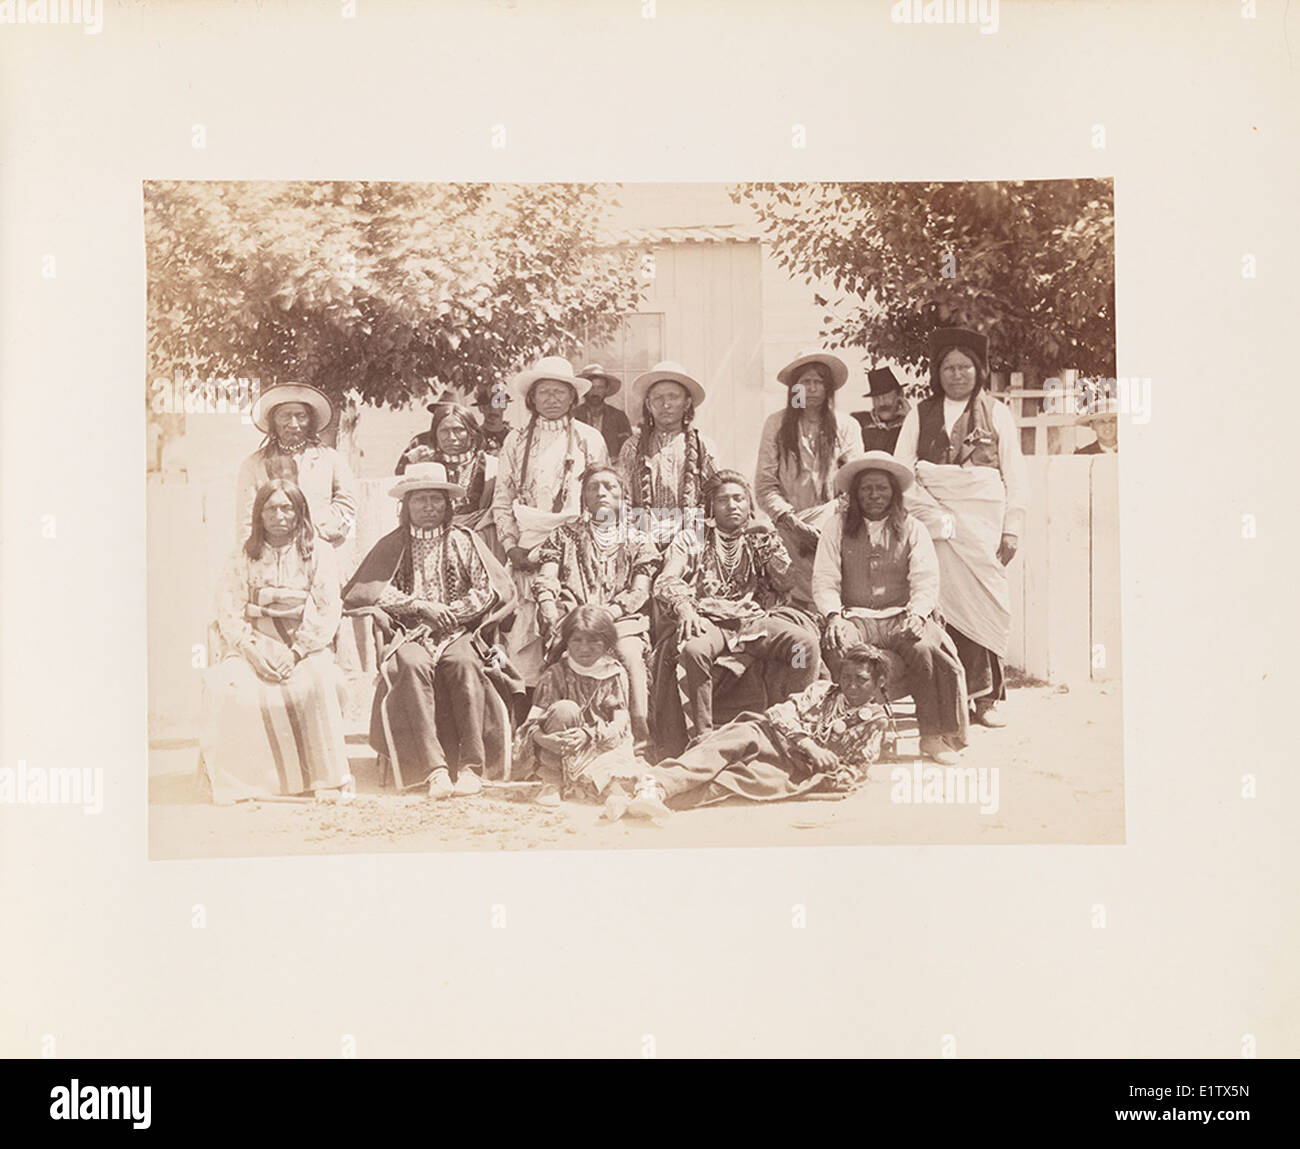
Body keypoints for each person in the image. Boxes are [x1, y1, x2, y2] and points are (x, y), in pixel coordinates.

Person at [343, 463, 522, 798]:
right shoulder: (392, 544)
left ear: (448, 504)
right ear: (406, 506)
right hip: (409, 632)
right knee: (409, 666)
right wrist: (418, 607)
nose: (428, 507)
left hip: (459, 631)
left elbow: (489, 589)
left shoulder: (464, 540)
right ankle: (434, 770)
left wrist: (450, 614)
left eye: (436, 499)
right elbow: (369, 590)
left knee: (465, 665)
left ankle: (471, 767)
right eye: (420, 500)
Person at [893, 327, 1029, 728]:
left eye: (965, 367)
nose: (956, 375)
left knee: (986, 605)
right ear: (937, 373)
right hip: (936, 529)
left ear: (978, 370)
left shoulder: (998, 412)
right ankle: (948, 699)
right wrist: (936, 517)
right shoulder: (920, 413)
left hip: (983, 530)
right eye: (948, 367)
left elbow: (1014, 475)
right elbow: (903, 471)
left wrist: (1012, 527)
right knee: (941, 607)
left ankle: (986, 700)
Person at [200, 479, 354, 805]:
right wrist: (251, 652)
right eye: (271, 508)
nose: (279, 515)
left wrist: (296, 652)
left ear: (300, 513)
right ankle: (249, 782)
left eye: (287, 508)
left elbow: (327, 606)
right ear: (259, 514)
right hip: (254, 644)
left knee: (320, 682)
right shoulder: (244, 554)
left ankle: (321, 778)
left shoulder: (319, 552)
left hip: (304, 646)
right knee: (227, 688)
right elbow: (228, 606)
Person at [649, 470, 821, 758]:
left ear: (749, 503)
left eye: (739, 498)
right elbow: (666, 579)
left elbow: (787, 582)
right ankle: (702, 736)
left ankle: (795, 724)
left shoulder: (760, 536)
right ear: (711, 507)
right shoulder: (692, 538)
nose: (733, 505)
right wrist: (685, 608)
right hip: (709, 619)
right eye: (723, 500)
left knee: (804, 646)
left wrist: (770, 543)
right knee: (693, 651)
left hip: (754, 622)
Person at [812, 453, 968, 765]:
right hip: (855, 616)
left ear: (894, 493)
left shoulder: (913, 529)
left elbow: (925, 578)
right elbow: (825, 578)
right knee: (841, 650)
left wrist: (918, 614)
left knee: (924, 649)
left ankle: (932, 737)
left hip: (900, 614)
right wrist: (833, 617)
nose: (874, 496)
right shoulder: (836, 527)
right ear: (856, 494)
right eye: (866, 489)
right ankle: (855, 733)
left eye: (881, 489)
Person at [631, 644, 893, 817]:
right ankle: (656, 783)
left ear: (879, 682)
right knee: (732, 741)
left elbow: (856, 769)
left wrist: (826, 768)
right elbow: (780, 712)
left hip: (796, 767)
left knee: (734, 780)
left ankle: (647, 799)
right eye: (847, 677)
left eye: (862, 679)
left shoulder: (875, 722)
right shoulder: (822, 690)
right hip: (771, 738)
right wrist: (809, 744)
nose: (852, 685)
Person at [491, 356, 609, 685]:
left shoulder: (590, 439)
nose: (552, 399)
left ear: (573, 397)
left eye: (560, 392)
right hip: (526, 551)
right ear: (532, 398)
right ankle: (529, 715)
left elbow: (603, 498)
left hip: (577, 553)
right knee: (524, 640)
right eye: (544, 392)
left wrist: (591, 546)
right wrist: (511, 546)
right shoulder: (515, 440)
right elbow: (502, 498)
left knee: (575, 631)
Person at [531, 464, 659, 751]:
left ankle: (638, 739)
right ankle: (556, 736)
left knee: (629, 655)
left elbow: (640, 590)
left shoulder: (637, 537)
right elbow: (547, 577)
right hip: (574, 616)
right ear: (584, 498)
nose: (601, 492)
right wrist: (548, 606)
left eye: (609, 486)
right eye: (593, 487)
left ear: (623, 496)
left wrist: (607, 613)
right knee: (562, 656)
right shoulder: (563, 535)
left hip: (621, 620)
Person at [513, 604, 658, 820]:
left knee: (613, 775)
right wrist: (543, 739)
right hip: (559, 746)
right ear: (567, 642)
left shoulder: (613, 673)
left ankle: (616, 800)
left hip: (598, 744)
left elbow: (620, 722)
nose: (584, 648)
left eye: (593, 641)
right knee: (565, 709)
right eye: (577, 640)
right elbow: (532, 722)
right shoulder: (556, 674)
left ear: (607, 643)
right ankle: (552, 782)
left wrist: (590, 735)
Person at [755, 348, 863, 609]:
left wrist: (830, 519)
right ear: (794, 389)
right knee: (794, 603)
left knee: (835, 600)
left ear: (828, 388)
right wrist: (791, 522)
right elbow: (765, 484)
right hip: (790, 532)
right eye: (805, 382)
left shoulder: (846, 426)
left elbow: (856, 480)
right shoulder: (777, 425)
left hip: (836, 526)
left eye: (818, 382)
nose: (812, 388)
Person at [235, 382, 357, 549]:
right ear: (273, 420)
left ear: (310, 420)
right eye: (285, 416)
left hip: (322, 548)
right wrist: (250, 556)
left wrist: (319, 531)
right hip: (272, 554)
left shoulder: (331, 460)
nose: (294, 424)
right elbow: (246, 519)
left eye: (301, 416)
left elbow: (347, 505)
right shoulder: (254, 465)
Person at [617, 360, 721, 551]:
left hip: (692, 541)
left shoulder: (703, 446)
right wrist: (632, 535)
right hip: (642, 540)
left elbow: (716, 497)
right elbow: (622, 498)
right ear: (649, 404)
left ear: (687, 402)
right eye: (658, 398)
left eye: (673, 397)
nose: (666, 404)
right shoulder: (632, 447)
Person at [575, 363, 633, 458]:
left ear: (606, 389)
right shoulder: (574, 415)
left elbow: (627, 450)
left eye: (600, 387)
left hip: (611, 468)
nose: (595, 392)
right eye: (592, 387)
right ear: (585, 390)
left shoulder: (618, 417)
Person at [854, 367, 912, 454]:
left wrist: (911, 418)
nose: (881, 403)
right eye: (876, 398)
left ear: (900, 394)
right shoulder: (859, 422)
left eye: (886, 396)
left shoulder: (911, 424)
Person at [474, 382, 514, 455]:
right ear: (480, 408)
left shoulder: (514, 436)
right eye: (486, 405)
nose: (492, 409)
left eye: (496, 404)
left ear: (504, 405)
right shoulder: (475, 438)